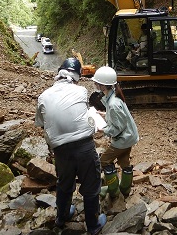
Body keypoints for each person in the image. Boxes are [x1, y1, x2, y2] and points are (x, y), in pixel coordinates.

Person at [35, 57, 106, 234]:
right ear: (77, 76)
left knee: (64, 183)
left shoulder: (43, 96)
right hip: (84, 146)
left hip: (60, 150)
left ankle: (62, 216)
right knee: (91, 184)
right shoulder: (81, 91)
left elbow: (41, 123)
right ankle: (93, 224)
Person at [92, 66, 139, 198]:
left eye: (96, 83)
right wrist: (105, 115)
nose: (95, 85)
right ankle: (125, 189)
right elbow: (119, 118)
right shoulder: (113, 98)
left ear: (102, 86)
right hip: (129, 137)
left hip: (123, 139)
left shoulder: (113, 103)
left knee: (104, 161)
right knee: (124, 162)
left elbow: (117, 128)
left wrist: (101, 128)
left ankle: (113, 190)